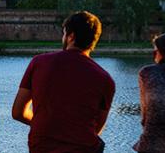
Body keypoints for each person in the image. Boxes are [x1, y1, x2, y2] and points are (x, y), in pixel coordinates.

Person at [12, 11, 115, 153]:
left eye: (64, 33)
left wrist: (44, 126)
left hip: (42, 147)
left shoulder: (39, 63)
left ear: (71, 37)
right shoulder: (105, 79)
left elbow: (18, 112)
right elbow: (96, 128)